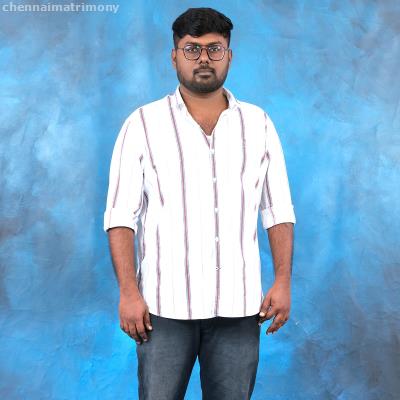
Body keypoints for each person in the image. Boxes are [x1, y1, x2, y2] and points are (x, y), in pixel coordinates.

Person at [103, 7, 296, 400]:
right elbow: (121, 216)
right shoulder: (142, 125)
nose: (203, 58)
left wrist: (282, 281)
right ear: (174, 56)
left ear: (230, 55)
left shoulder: (258, 124)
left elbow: (277, 211)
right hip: (163, 308)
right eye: (192, 49)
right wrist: (128, 293)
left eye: (214, 48)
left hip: (239, 307)